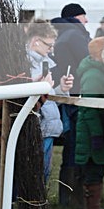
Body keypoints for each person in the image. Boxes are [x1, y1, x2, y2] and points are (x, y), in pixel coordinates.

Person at [74, 35, 104, 209]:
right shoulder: (93, 75)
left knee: (97, 172)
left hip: (99, 130)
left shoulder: (102, 71)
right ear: (102, 53)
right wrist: (97, 134)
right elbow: (88, 108)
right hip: (93, 132)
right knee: (93, 173)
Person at [51, 3, 91, 206]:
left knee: (71, 147)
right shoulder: (75, 35)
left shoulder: (63, 35)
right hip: (76, 97)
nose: (87, 21)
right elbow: (87, 59)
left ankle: (68, 197)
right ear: (77, 17)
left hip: (67, 93)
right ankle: (72, 197)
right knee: (75, 147)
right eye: (84, 17)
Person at [25, 20, 74, 183]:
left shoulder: (43, 63)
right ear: (36, 41)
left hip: (46, 125)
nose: (51, 49)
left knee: (42, 172)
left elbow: (50, 98)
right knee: (36, 173)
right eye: (48, 45)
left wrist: (61, 87)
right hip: (37, 124)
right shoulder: (26, 63)